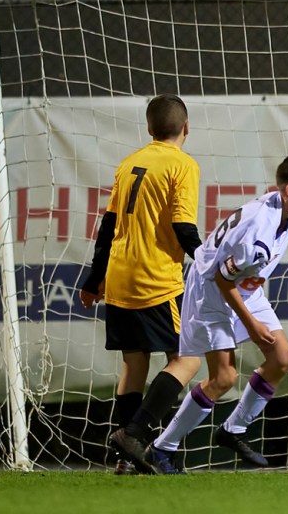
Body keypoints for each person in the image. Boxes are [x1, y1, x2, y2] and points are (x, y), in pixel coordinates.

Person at [136, 152, 288, 474]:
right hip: (211, 289)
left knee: (282, 357)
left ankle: (233, 430)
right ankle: (161, 448)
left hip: (246, 288)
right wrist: (251, 325)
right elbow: (223, 279)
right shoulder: (258, 233)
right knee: (223, 378)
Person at [78, 94, 203, 475]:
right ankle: (134, 434)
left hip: (119, 277)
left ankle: (124, 459)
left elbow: (107, 227)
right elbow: (183, 226)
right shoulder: (183, 164)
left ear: (149, 129)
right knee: (187, 358)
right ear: (186, 127)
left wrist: (93, 279)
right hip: (156, 279)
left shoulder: (129, 162)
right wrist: (209, 262)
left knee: (134, 364)